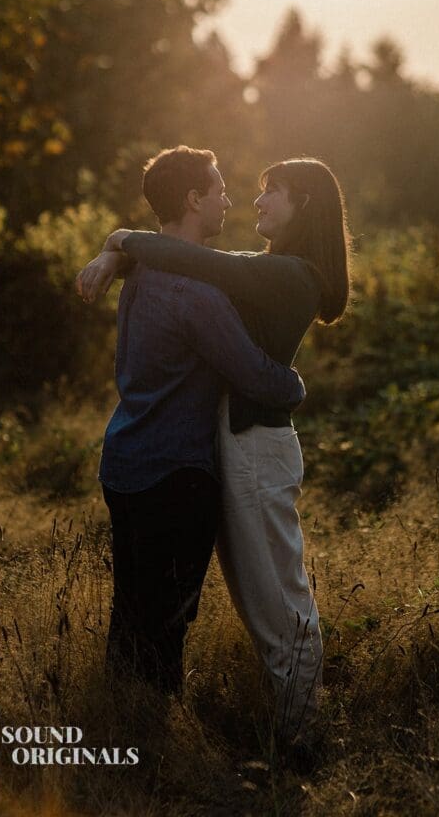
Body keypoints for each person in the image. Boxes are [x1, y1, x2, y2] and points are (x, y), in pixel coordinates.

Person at [78, 155, 351, 746]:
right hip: (227, 448)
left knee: (276, 604)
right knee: (234, 604)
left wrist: (120, 241)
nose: (253, 202)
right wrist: (117, 250)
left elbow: (188, 261)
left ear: (303, 202)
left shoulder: (292, 275)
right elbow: (186, 261)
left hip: (256, 448)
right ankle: (149, 728)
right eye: (240, 190)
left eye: (270, 191)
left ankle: (301, 741)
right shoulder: (260, 266)